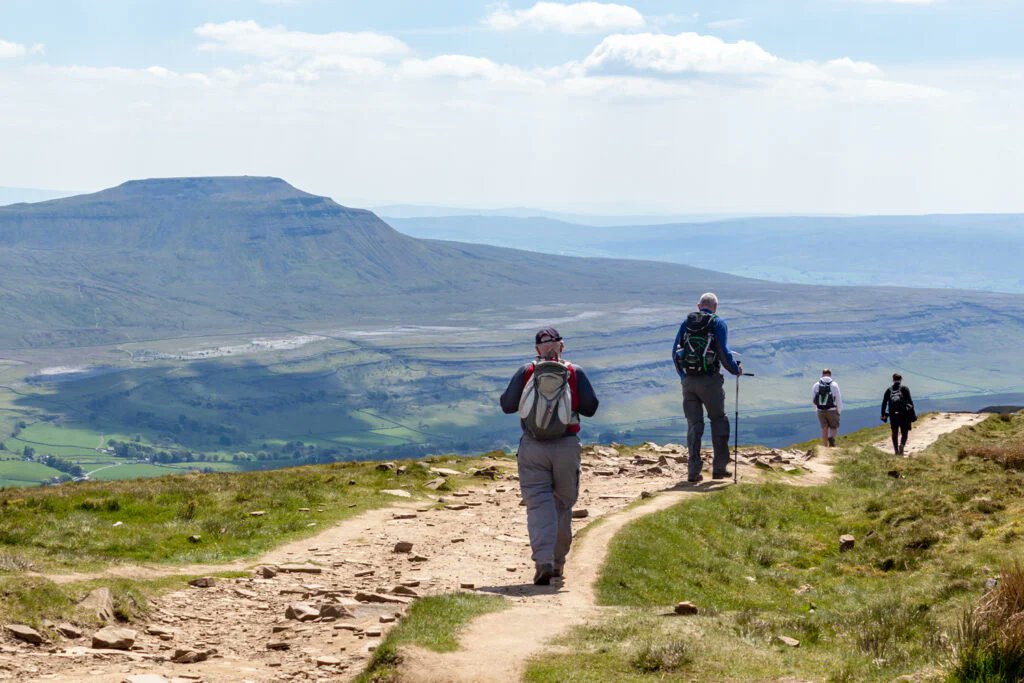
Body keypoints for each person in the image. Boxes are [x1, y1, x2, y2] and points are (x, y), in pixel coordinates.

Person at [500, 327, 599, 586]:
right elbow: (591, 408)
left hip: (533, 446)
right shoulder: (574, 371)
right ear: (562, 347)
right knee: (563, 505)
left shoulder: (527, 371)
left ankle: (543, 561)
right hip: (566, 445)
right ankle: (557, 563)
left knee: (538, 503)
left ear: (537, 350)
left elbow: (507, 405)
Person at [671, 292, 742, 483]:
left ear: (698, 305)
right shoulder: (717, 323)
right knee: (718, 419)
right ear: (715, 307)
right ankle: (719, 468)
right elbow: (723, 352)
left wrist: (683, 376)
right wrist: (735, 369)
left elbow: (674, 352)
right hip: (710, 380)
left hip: (689, 381)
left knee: (694, 425)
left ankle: (693, 472)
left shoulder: (687, 323)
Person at [881, 372, 915, 455]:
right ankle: (902, 445)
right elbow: (910, 402)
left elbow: (884, 403)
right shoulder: (905, 389)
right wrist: (913, 415)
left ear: (893, 380)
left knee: (894, 433)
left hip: (893, 415)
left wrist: (883, 415)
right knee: (904, 432)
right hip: (904, 414)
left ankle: (896, 451)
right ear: (901, 380)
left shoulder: (889, 390)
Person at [812, 368, 843, 447]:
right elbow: (838, 399)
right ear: (830, 374)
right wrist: (839, 411)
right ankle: (831, 438)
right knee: (834, 427)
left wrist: (816, 410)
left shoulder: (816, 385)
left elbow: (814, 399)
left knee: (824, 428)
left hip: (820, 410)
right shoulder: (834, 385)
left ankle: (825, 447)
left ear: (822, 374)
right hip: (832, 410)